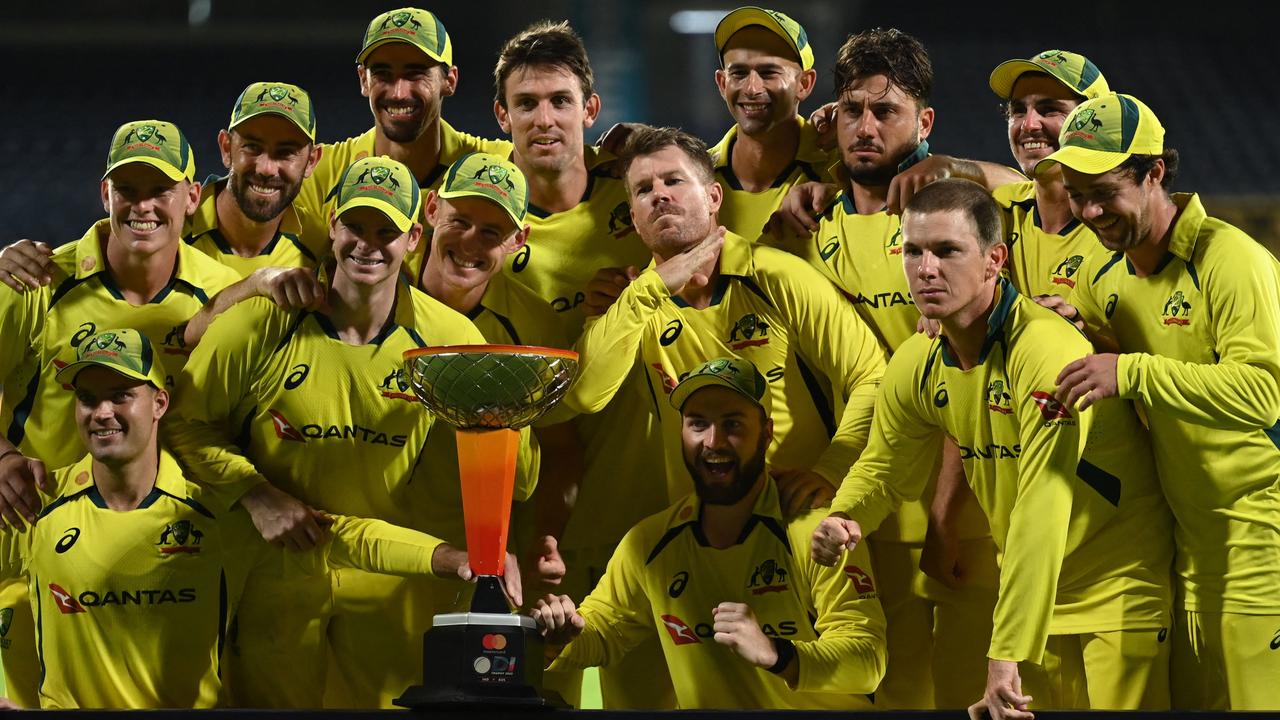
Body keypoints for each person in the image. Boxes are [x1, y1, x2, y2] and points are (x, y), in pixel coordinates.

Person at [810, 179, 1174, 718]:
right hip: (1034, 597)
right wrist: (848, 515)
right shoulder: (918, 360)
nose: (926, 269)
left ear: (993, 260)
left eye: (947, 251)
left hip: (1117, 588)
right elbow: (886, 465)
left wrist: (1005, 652)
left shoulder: (1046, 351)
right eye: (912, 251)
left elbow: (1042, 506)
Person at [162, 156, 511, 708]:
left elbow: (487, 460)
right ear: (332, 223)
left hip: (389, 577)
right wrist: (256, 495)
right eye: (356, 226)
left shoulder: (451, 341)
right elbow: (182, 425)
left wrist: (493, 547)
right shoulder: (260, 323)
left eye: (387, 231)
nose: (368, 245)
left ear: (414, 237)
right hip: (271, 575)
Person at [0, 327, 493, 708]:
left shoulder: (220, 513)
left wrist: (452, 558)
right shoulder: (34, 503)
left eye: (121, 394)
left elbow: (343, 536)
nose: (101, 412)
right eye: (88, 398)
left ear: (160, 403)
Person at [766, 28, 1004, 709]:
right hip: (862, 504)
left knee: (970, 690)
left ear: (924, 122)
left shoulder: (959, 213)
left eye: (887, 111)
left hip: (968, 507)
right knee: (893, 689)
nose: (866, 126)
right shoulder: (813, 224)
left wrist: (944, 515)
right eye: (852, 111)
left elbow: (1038, 181)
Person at [1038, 93, 1280, 711]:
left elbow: (1264, 394)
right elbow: (1090, 356)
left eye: (1106, 192)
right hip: (1183, 562)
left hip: (1261, 554)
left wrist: (1132, 370)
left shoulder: (1233, 261)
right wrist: (1053, 328)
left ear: (1154, 173)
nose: (1090, 210)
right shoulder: (1104, 276)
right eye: (1076, 192)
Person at [0, 120, 240, 706]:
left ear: (193, 197)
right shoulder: (34, 282)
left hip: (173, 549)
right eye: (127, 189)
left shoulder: (225, 295)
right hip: (35, 532)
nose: (143, 206)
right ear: (103, 194)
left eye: (160, 190)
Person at [572, 124, 886, 521]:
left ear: (713, 195)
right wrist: (648, 290)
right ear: (634, 220)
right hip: (698, 540)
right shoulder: (631, 303)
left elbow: (872, 376)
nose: (660, 195)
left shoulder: (778, 277)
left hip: (797, 526)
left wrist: (832, 471)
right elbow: (584, 395)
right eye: (644, 190)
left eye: (674, 181)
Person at [534, 357, 887, 709]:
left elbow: (868, 660)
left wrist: (778, 655)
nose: (713, 442)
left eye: (732, 424)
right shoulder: (650, 541)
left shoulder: (815, 532)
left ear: (767, 433)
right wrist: (560, 638)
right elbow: (600, 632)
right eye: (698, 424)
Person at [489, 20, 662, 709]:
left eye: (561, 100)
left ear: (592, 110)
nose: (544, 119)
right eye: (526, 104)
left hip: (641, 499)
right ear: (500, 117)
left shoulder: (643, 195)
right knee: (534, 698)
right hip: (535, 509)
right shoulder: (480, 225)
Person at [409, 151, 576, 595]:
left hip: (473, 552)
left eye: (491, 232)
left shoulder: (533, 327)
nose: (469, 242)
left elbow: (560, 451)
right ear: (430, 210)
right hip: (373, 537)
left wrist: (545, 535)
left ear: (519, 240)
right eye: (459, 221)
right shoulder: (379, 284)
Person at [292, 7, 511, 261]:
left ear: (449, 80)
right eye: (383, 74)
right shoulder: (318, 176)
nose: (398, 92)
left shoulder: (499, 169)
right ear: (364, 80)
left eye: (415, 73)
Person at [987, 50, 1112, 297]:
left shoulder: (1120, 229)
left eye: (1050, 110)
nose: (1029, 125)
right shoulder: (997, 211)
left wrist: (1079, 333)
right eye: (1018, 110)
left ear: (1093, 119)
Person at [707, 7, 831, 240]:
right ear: (722, 84)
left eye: (768, 73)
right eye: (739, 73)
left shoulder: (840, 169)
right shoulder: (694, 178)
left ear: (804, 84)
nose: (752, 88)